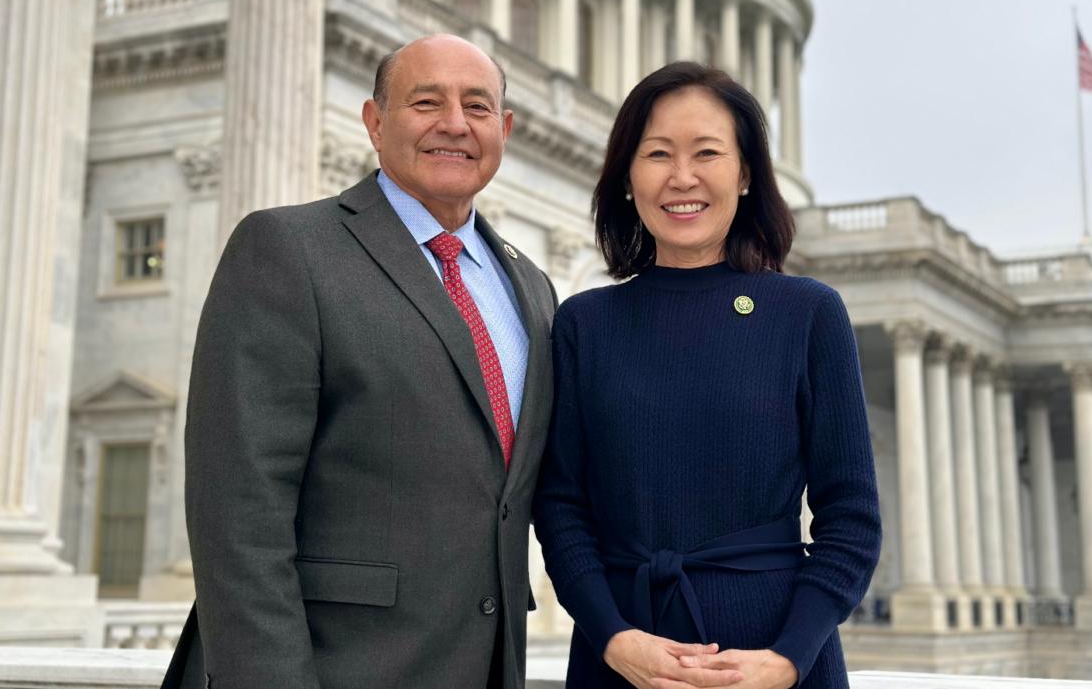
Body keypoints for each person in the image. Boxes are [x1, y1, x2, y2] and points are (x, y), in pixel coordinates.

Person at [161, 34, 558, 689]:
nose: (455, 124)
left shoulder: (532, 287)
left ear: (505, 129)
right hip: (335, 669)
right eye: (427, 102)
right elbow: (239, 515)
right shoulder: (289, 249)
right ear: (374, 121)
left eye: (478, 107)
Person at [533, 62, 881, 689]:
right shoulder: (586, 323)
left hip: (774, 662)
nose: (682, 177)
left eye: (707, 153)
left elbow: (851, 515)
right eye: (657, 153)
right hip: (623, 662)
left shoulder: (808, 313)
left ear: (745, 174)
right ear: (628, 176)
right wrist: (614, 639)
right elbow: (560, 504)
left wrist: (787, 659)